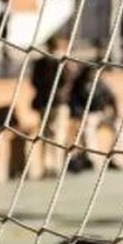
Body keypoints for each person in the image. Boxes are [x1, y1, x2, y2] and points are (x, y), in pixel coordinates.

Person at [29, 34, 76, 179]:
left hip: (44, 101)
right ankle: (56, 166)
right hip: (59, 102)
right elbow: (69, 80)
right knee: (57, 134)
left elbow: (34, 82)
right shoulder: (62, 62)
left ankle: (48, 166)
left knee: (47, 133)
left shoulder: (40, 62)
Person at [67, 61, 120, 172]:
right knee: (88, 130)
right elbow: (73, 102)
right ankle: (94, 160)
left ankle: (113, 157)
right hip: (87, 115)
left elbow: (112, 97)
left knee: (119, 126)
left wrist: (116, 113)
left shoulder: (100, 83)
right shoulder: (79, 84)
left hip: (102, 113)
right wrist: (80, 115)